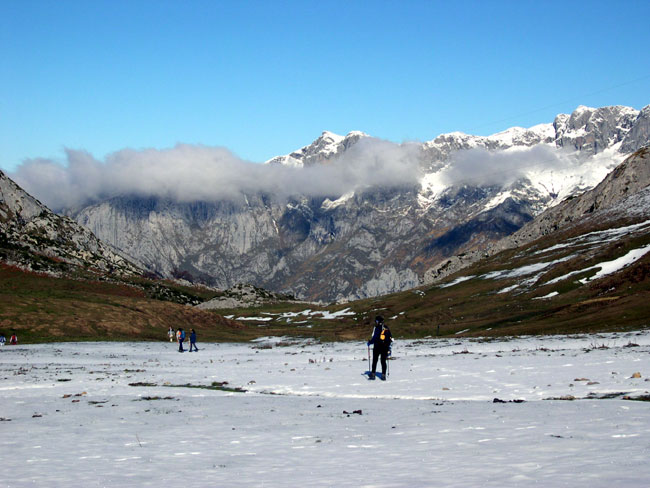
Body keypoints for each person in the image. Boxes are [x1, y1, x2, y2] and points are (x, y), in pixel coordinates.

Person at [367, 316, 392, 380]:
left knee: (375, 360)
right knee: (383, 361)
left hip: (377, 346)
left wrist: (370, 342)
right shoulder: (386, 328)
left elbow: (375, 337)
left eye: (376, 321)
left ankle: (373, 374)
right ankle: (383, 375)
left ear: (378, 321)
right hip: (385, 347)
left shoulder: (377, 328)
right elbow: (390, 338)